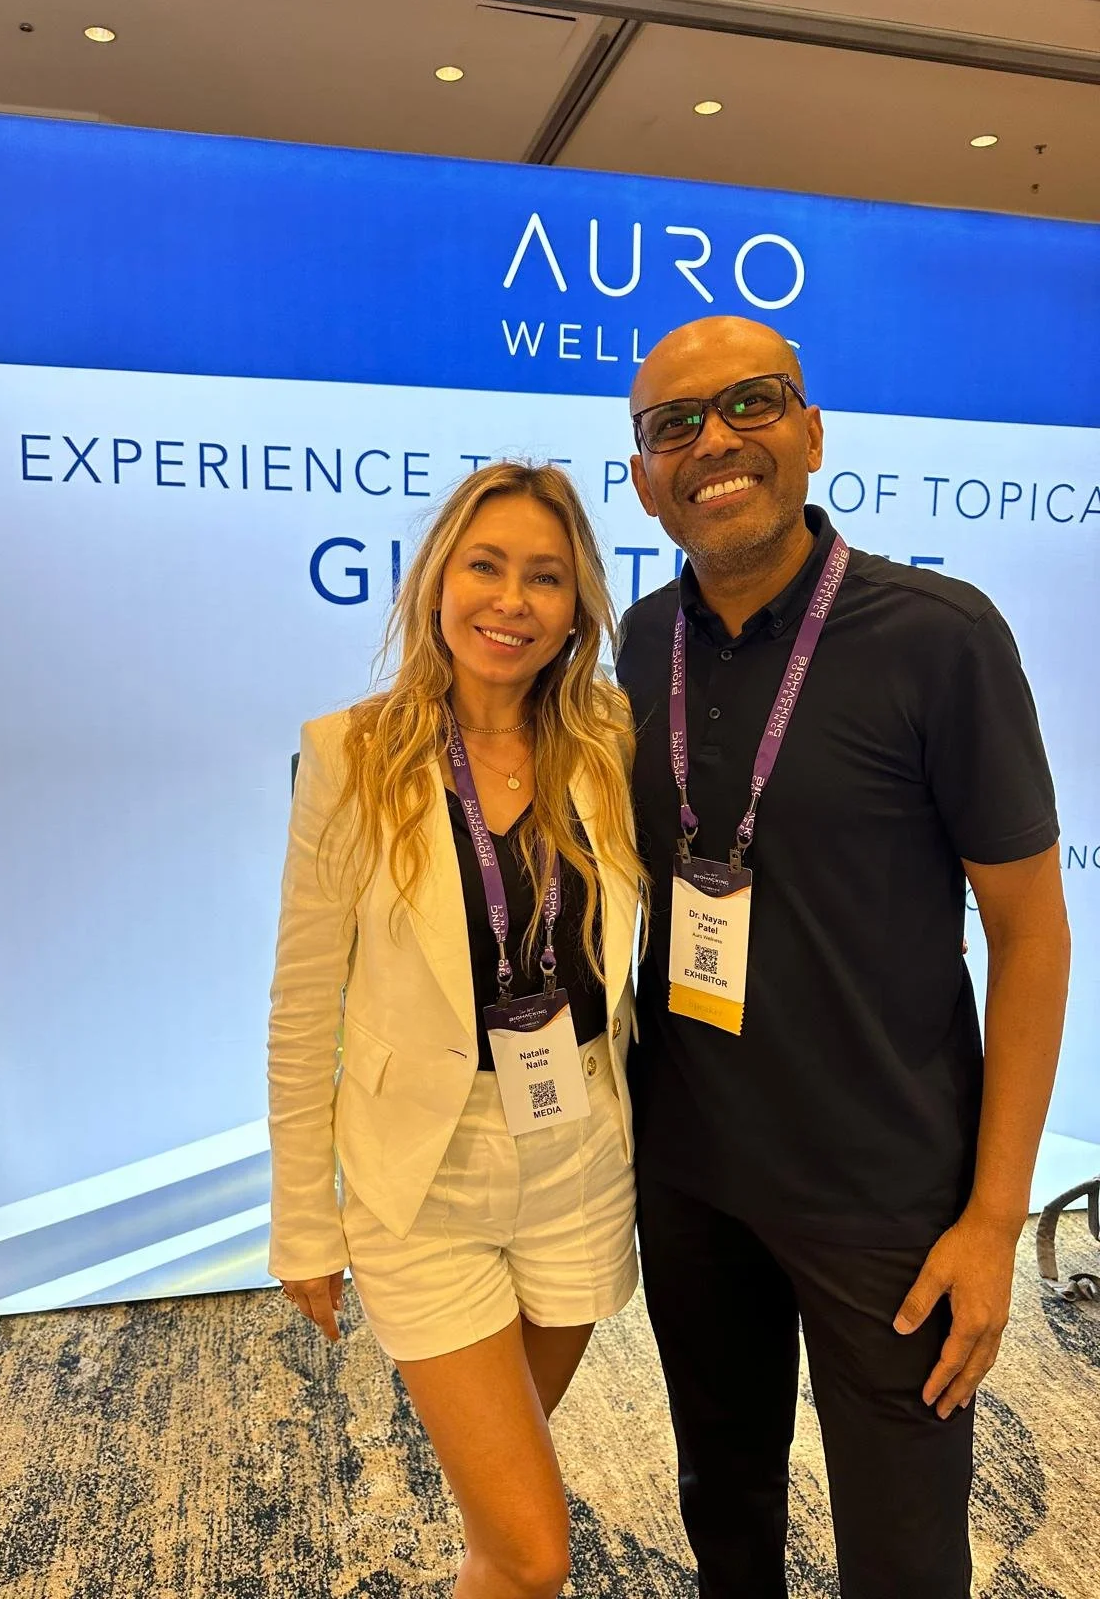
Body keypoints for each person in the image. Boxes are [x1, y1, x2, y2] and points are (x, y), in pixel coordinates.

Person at [615, 316, 1071, 1599]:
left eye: (750, 404)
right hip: (695, 1175)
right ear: (647, 478)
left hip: (889, 1198)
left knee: (904, 1554)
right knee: (728, 1502)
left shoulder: (940, 637)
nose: (714, 440)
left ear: (810, 433)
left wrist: (993, 1220)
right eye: (672, 424)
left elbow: (1031, 935)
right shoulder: (643, 643)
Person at [268, 461, 649, 1599]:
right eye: (487, 565)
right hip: (422, 1176)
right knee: (536, 1548)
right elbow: (301, 1006)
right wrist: (303, 1222)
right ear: (437, 578)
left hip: (582, 1157)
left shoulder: (612, 739)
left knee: (500, 1527)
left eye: (546, 575)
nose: (512, 599)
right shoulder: (353, 751)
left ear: (577, 604)